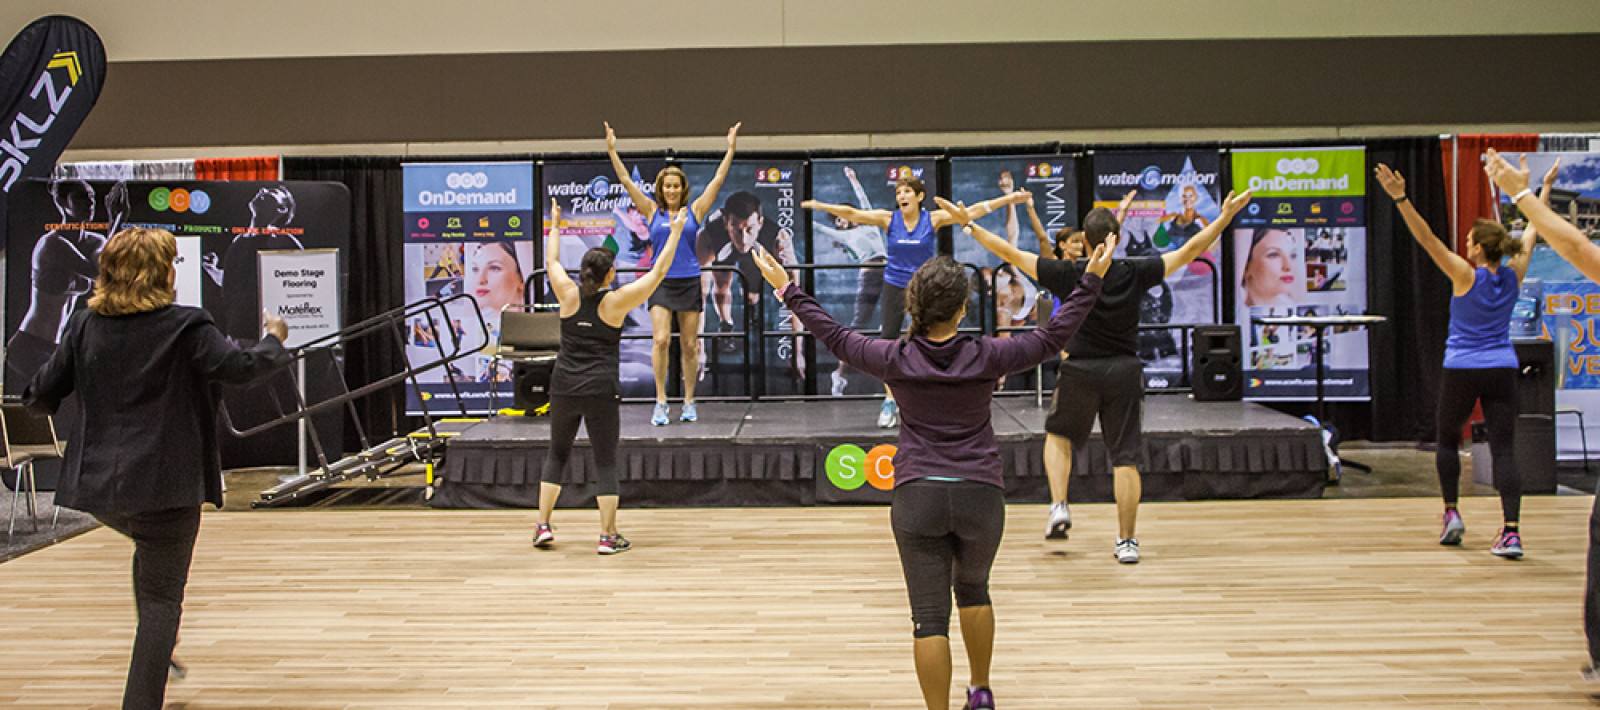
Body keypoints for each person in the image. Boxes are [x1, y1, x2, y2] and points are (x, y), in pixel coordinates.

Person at [749, 206, 1113, 710]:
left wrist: (787, 287)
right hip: (981, 497)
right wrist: (1091, 277)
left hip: (917, 496)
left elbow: (832, 334)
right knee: (974, 590)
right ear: (962, 309)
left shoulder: (893, 358)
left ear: (914, 306)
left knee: (928, 617)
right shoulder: (988, 354)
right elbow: (1054, 336)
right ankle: (981, 692)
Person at [23, 227, 290, 710]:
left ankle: (156, 649)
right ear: (163, 274)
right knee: (162, 602)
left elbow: (39, 395)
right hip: (167, 488)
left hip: (101, 490)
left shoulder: (84, 324)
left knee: (149, 557)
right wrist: (275, 339)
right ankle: (144, 687)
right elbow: (243, 369)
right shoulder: (187, 326)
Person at [947, 190, 1252, 563]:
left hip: (1079, 368)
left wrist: (968, 224)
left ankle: (1059, 504)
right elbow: (1189, 250)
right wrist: (1223, 218)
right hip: (1124, 369)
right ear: (1117, 239)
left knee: (1058, 436)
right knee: (1125, 458)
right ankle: (1126, 542)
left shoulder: (1067, 272)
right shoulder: (1136, 271)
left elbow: (1010, 254)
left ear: (1083, 243)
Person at [1378, 161, 1542, 561]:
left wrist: (1400, 198)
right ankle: (1512, 533)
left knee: (1448, 439)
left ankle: (1452, 513)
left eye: (1469, 240)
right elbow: (1535, 230)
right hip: (1502, 367)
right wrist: (1538, 194)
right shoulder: (1514, 274)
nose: (1464, 244)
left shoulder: (1463, 275)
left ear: (1478, 247)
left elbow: (1427, 238)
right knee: (1504, 448)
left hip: (1462, 368)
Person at [1485, 151, 1600, 682]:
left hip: (1479, 368)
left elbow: (1572, 246)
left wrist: (1524, 193)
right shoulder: (1508, 269)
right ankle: (1506, 526)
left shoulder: (1467, 274)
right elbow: (1544, 240)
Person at [803, 178, 1026, 427]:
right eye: (899, 192)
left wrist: (1009, 199)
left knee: (928, 340)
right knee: (888, 341)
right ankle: (889, 400)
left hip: (924, 287)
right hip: (894, 285)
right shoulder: (889, 219)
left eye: (907, 191)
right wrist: (820, 205)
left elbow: (973, 211)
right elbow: (852, 213)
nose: (902, 196)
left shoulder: (932, 219)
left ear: (920, 196)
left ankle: (931, 397)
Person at [534, 200, 688, 555]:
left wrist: (555, 224)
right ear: (608, 275)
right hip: (600, 390)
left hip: (563, 386)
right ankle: (607, 536)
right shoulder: (616, 302)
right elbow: (658, 273)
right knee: (605, 459)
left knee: (557, 453)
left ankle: (542, 525)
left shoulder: (567, 294)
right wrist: (676, 231)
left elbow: (552, 262)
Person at [605, 122, 739, 425]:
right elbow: (626, 180)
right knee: (662, 340)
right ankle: (662, 401)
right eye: (667, 186)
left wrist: (730, 148)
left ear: (683, 189)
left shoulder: (695, 211)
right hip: (660, 283)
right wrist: (612, 150)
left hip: (690, 282)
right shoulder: (652, 211)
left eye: (676, 186)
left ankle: (689, 401)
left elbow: (718, 180)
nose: (672, 190)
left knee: (690, 345)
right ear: (661, 190)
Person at [6, 180, 128, 382]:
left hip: (53, 346)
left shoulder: (94, 241)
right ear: (61, 202)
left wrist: (117, 219)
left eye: (91, 197)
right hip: (29, 345)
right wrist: (115, 222)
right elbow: (99, 275)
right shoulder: (52, 244)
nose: (89, 204)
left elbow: (109, 272)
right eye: (80, 198)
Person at [695, 190, 803, 368]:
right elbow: (698, 296)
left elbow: (796, 298)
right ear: (725, 224)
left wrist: (797, 352)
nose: (744, 238)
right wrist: (698, 350)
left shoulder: (778, 238)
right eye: (737, 230)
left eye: (749, 229)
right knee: (722, 284)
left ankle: (751, 304)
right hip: (723, 250)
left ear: (760, 224)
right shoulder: (708, 237)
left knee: (753, 289)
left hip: (757, 253)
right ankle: (726, 324)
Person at [814, 166, 889, 396]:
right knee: (859, 326)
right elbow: (820, 228)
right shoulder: (843, 235)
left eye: (843, 217)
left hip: (889, 273)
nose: (840, 222)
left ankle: (890, 383)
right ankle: (840, 375)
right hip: (868, 277)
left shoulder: (869, 222)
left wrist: (853, 179)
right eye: (837, 220)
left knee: (892, 324)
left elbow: (863, 200)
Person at [203, 185, 303, 342]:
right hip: (236, 335)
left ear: (282, 209)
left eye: (273, 192)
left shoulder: (282, 240)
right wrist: (212, 269)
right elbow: (235, 283)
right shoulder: (239, 240)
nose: (263, 190)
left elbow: (303, 279)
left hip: (263, 338)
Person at [1241, 227, 1301, 307]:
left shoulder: (1291, 307)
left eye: (1293, 255)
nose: (1288, 266)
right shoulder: (1234, 311)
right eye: (1274, 255)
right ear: (1246, 266)